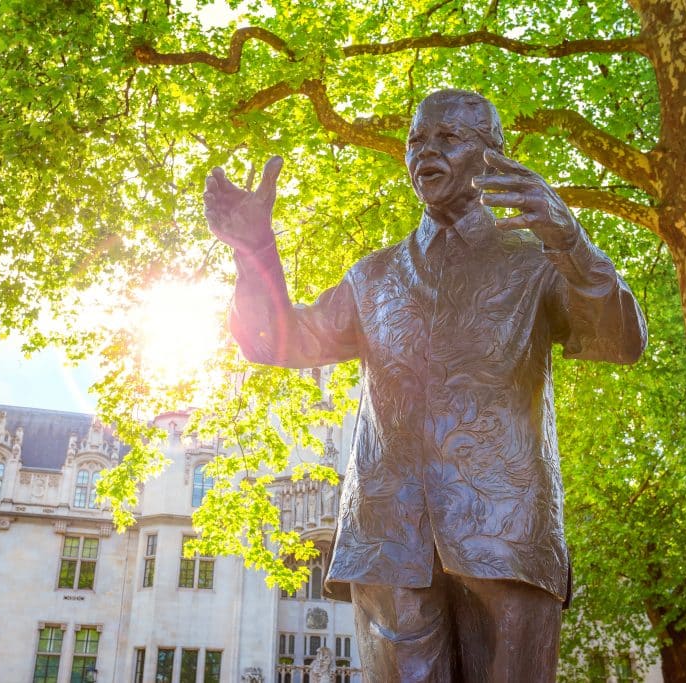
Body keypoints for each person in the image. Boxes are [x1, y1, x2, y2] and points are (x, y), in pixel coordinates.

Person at [204, 89, 647, 682]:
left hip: (506, 534)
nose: (425, 151)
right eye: (416, 140)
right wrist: (254, 251)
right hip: (389, 541)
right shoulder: (373, 276)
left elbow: (620, 341)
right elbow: (275, 342)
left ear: (492, 156)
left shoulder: (536, 261)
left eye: (448, 138)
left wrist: (570, 242)